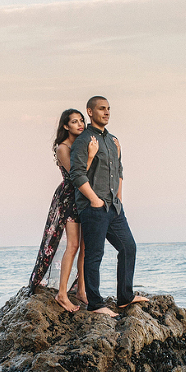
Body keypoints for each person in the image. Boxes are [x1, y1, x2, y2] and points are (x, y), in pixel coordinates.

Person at [68, 96, 147, 317]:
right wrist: (94, 199)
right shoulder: (84, 140)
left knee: (128, 247)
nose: (107, 112)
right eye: (102, 109)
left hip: (114, 207)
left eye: (109, 109)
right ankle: (95, 304)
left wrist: (119, 198)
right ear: (90, 112)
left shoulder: (113, 140)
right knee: (95, 255)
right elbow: (77, 173)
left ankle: (125, 296)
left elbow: (119, 170)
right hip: (93, 207)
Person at [28, 108, 89, 311]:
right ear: (65, 126)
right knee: (72, 245)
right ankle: (62, 294)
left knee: (84, 246)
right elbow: (76, 175)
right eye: (74, 121)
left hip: (83, 196)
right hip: (69, 198)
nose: (80, 124)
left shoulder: (81, 144)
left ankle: (81, 290)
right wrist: (91, 156)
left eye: (81, 120)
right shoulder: (63, 148)